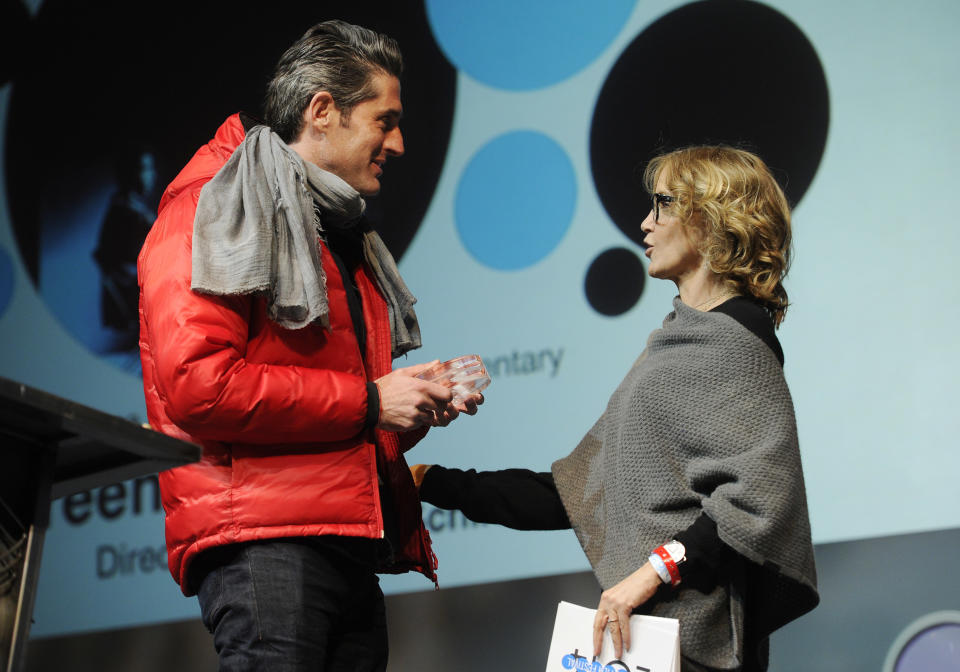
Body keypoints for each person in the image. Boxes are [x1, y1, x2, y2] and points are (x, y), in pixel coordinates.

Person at [138, 20, 480, 671]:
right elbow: (200, 387)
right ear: (322, 110)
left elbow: (339, 412)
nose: (400, 143)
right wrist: (371, 401)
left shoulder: (329, 226)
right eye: (385, 121)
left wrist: (406, 407)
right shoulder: (214, 204)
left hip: (343, 544)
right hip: (265, 545)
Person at [414, 146, 819, 671]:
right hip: (656, 635)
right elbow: (578, 493)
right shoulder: (679, 344)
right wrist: (429, 481)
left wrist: (651, 573)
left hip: (693, 645)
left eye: (664, 205)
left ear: (715, 218)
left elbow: (756, 498)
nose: (645, 223)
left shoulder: (735, 344)